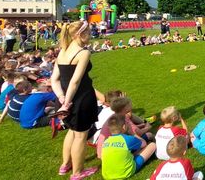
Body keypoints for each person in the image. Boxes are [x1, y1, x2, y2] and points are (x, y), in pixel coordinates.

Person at [51, 21, 99, 179]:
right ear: (80, 34)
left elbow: (55, 79)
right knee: (80, 136)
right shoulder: (83, 53)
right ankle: (77, 173)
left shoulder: (62, 51)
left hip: (65, 99)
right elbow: (75, 81)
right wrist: (67, 102)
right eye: (89, 32)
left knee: (71, 132)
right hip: (80, 99)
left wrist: (61, 98)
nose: (91, 35)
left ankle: (65, 165)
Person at [101, 114, 156, 180]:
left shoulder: (106, 141)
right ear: (124, 127)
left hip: (107, 175)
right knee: (152, 145)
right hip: (125, 172)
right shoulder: (126, 139)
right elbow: (143, 144)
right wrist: (133, 134)